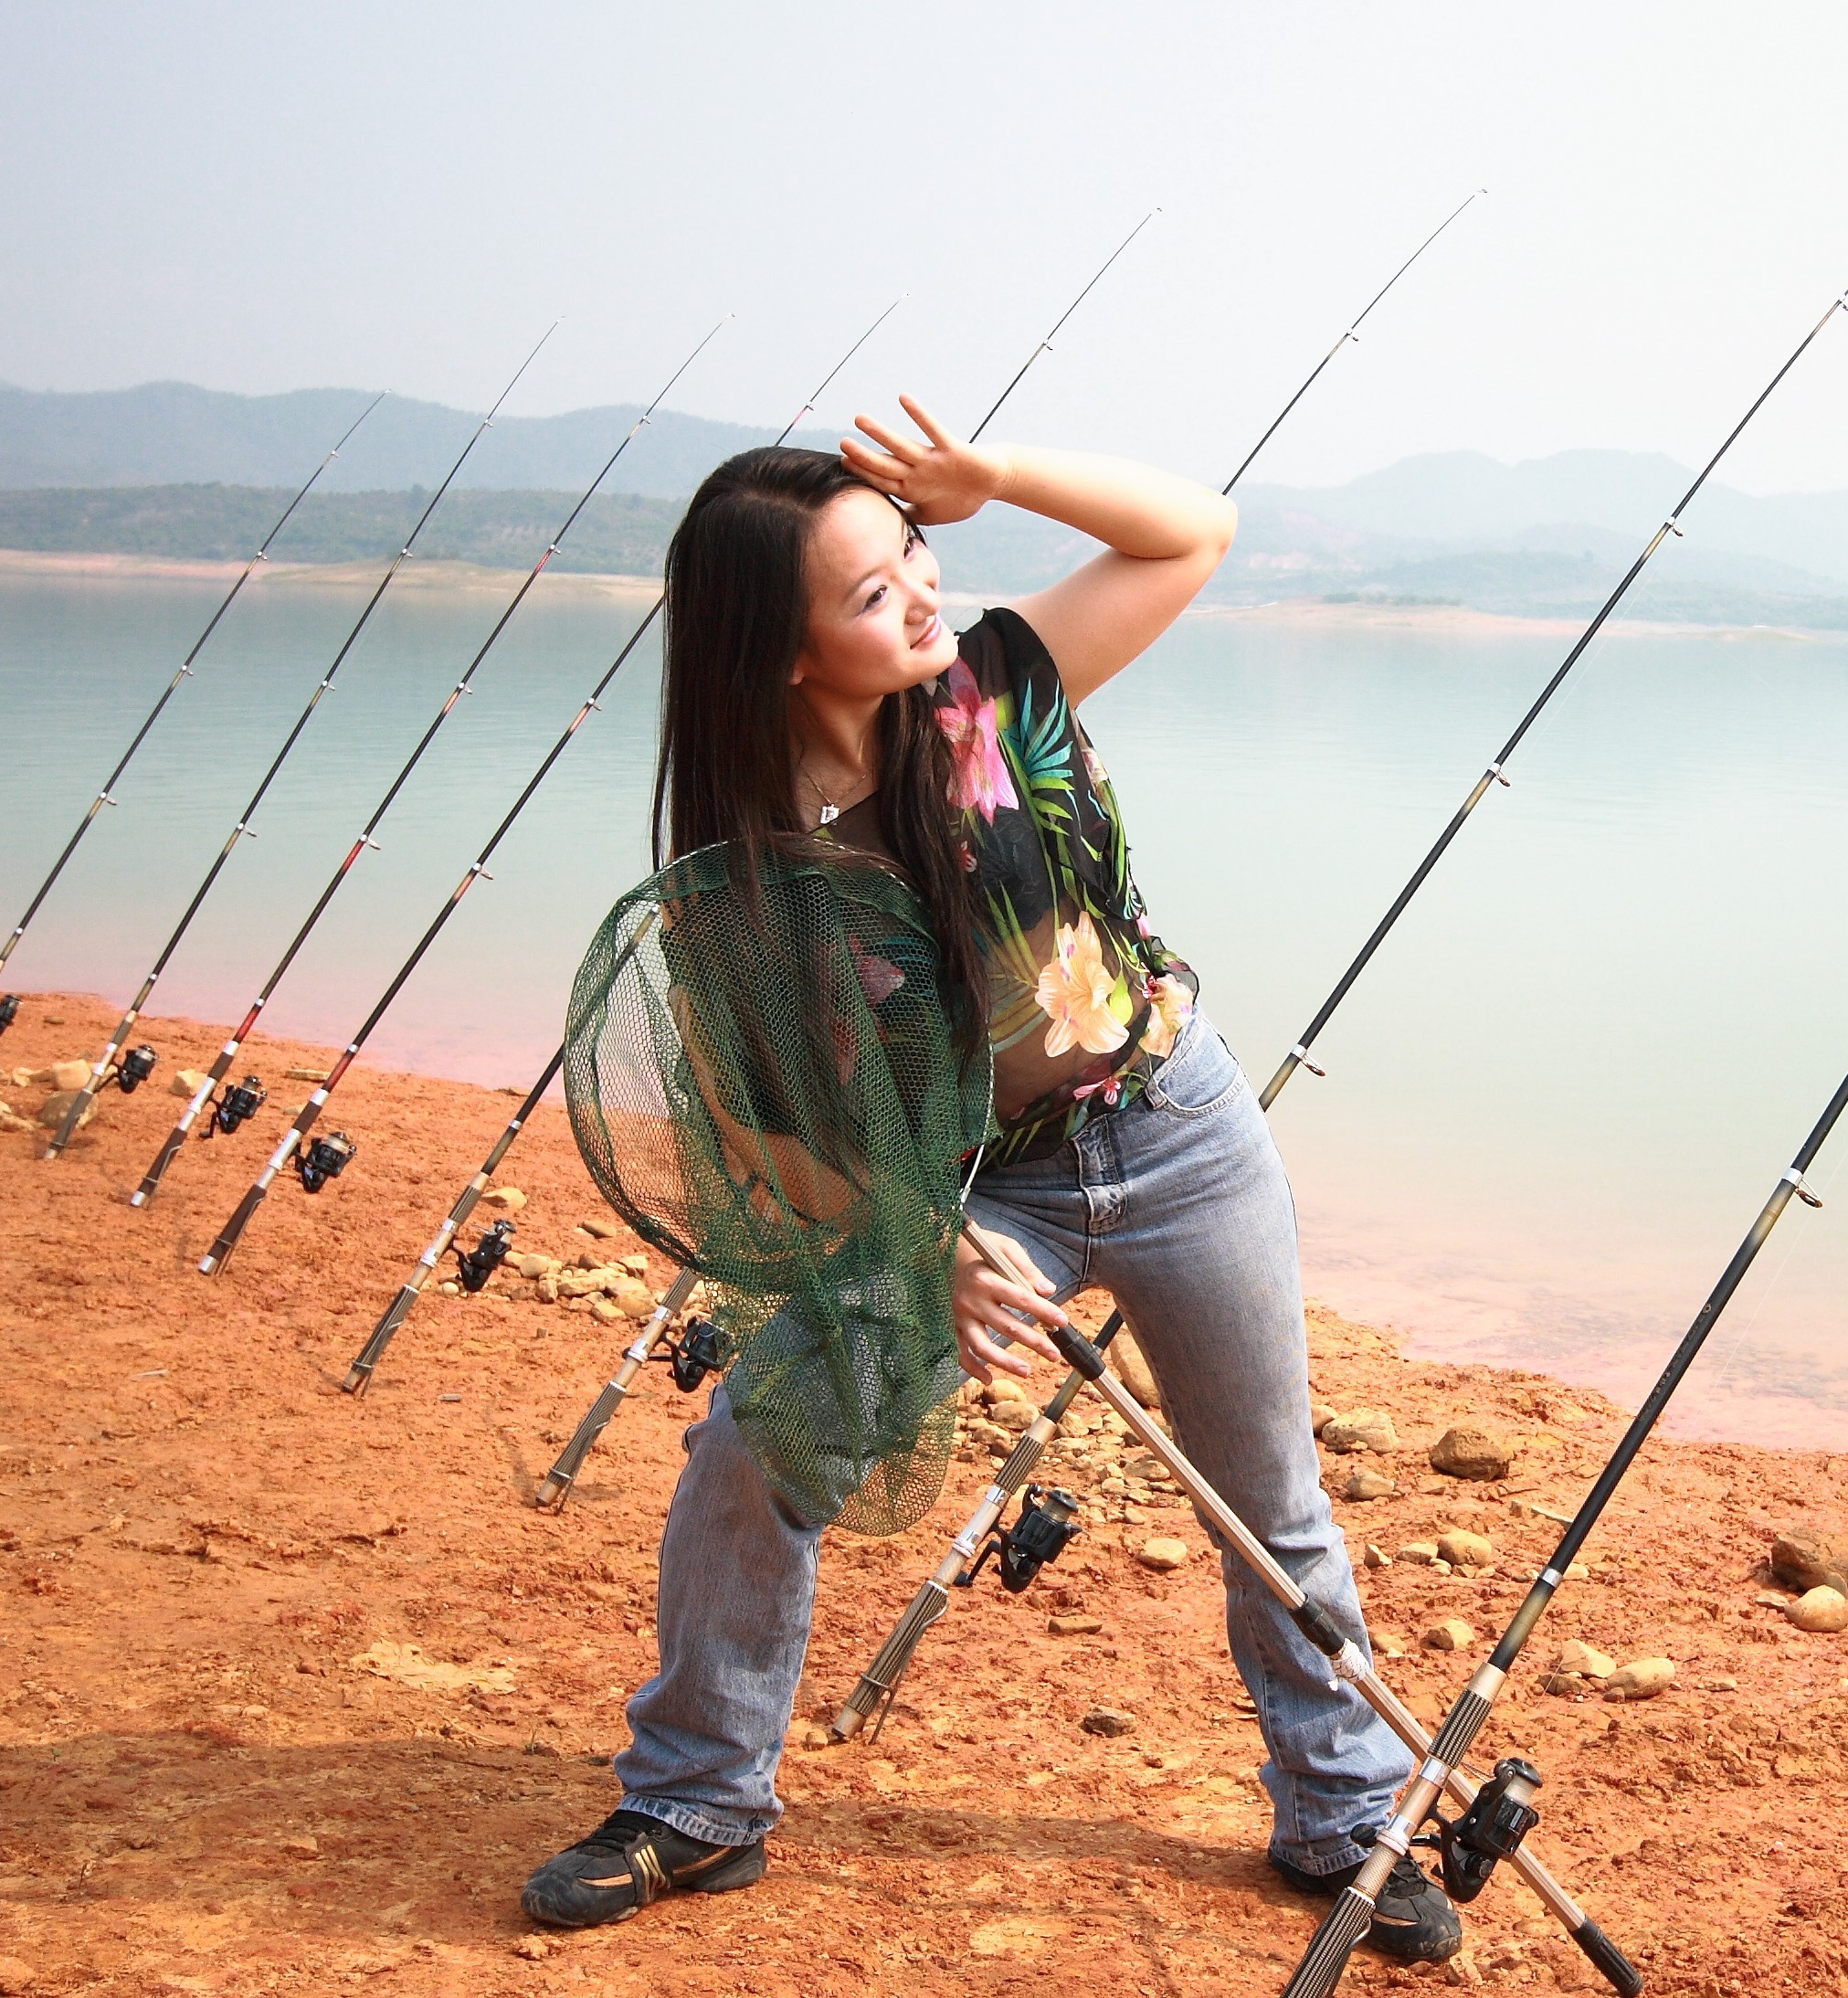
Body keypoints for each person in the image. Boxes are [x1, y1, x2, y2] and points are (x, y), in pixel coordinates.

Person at [519, 401, 1457, 1961]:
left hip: (1177, 1130)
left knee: (1267, 1500)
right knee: (756, 1443)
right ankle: (695, 1800)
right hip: (967, 1202)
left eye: (917, 557)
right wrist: (916, 1237)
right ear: (782, 649)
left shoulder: (995, 690)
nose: (923, 596)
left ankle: (1347, 1817)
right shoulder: (743, 875)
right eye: (873, 590)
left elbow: (1191, 530)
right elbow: (748, 1137)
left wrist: (996, 476)